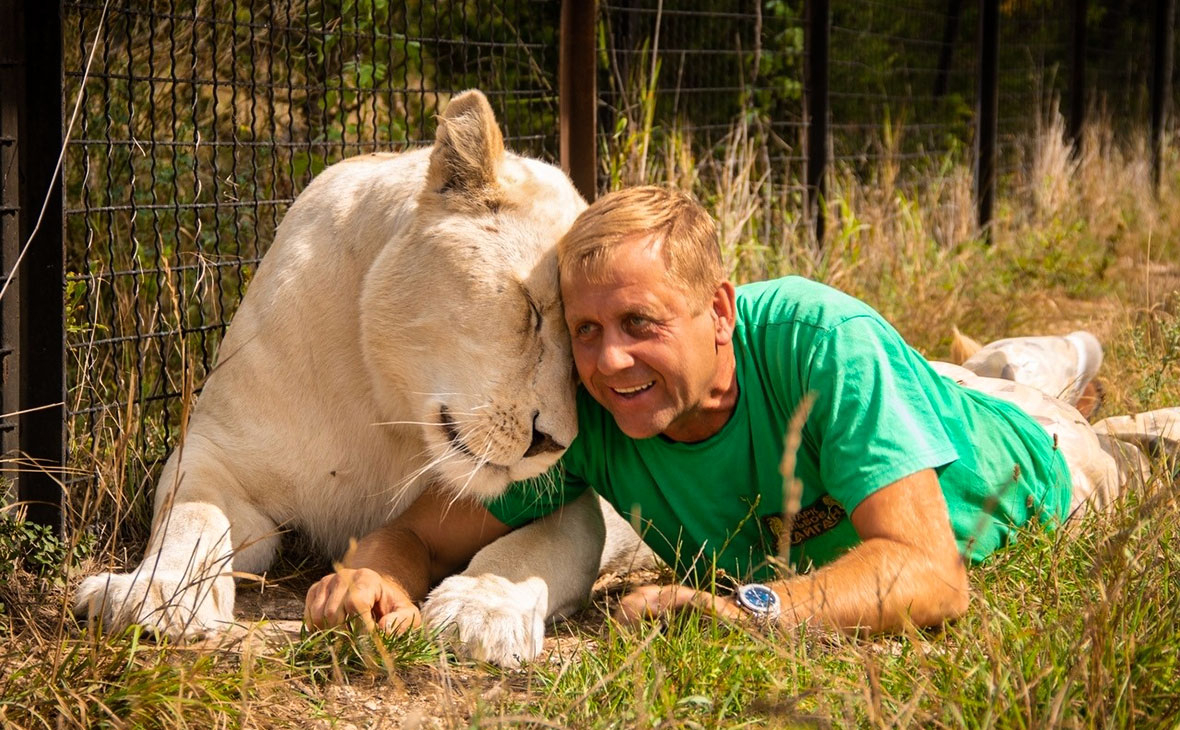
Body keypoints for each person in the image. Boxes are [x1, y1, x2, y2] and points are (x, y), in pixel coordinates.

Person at [304, 185, 1160, 635]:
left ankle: (1073, 369)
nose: (607, 361)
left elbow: (931, 576)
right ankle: (1004, 362)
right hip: (935, 400)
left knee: (1123, 442)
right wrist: (376, 578)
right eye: (586, 330)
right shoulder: (591, 413)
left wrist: (751, 608)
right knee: (965, 375)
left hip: (1048, 465)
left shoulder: (823, 341)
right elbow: (419, 533)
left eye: (640, 324)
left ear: (719, 311)